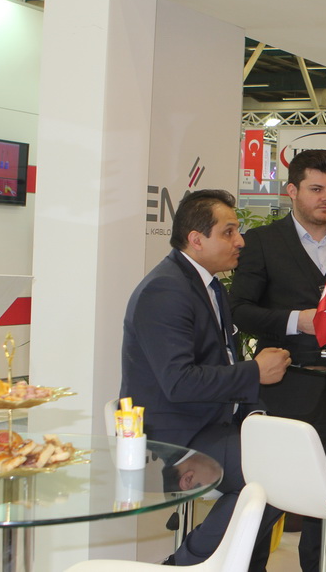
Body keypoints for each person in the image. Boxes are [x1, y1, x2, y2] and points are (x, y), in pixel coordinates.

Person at [120, 189, 291, 569]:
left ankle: (224, 563)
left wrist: (255, 415)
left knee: (286, 462)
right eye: (229, 232)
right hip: (169, 440)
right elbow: (179, 382)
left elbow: (222, 363)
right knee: (278, 473)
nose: (240, 241)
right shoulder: (165, 290)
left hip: (208, 425)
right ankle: (186, 565)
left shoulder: (208, 285)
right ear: (196, 239)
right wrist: (255, 371)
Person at [229, 149, 326, 572]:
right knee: (267, 500)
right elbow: (240, 310)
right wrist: (296, 320)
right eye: (316, 189)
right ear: (291, 190)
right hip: (283, 389)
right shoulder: (261, 243)